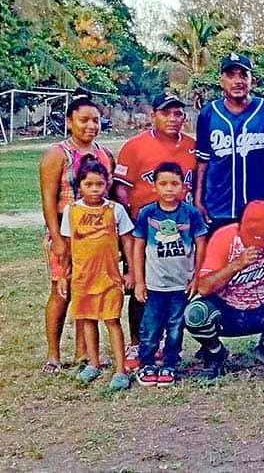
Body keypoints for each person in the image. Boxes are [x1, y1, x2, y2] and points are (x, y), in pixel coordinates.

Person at [113, 92, 197, 371]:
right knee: (142, 287)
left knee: (176, 288)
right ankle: (137, 343)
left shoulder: (191, 147)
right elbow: (121, 187)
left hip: (181, 231)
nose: (172, 118)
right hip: (146, 229)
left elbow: (196, 184)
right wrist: (133, 218)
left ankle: (169, 345)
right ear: (154, 116)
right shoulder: (135, 146)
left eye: (177, 113)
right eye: (166, 113)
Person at [184, 200, 264, 379]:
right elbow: (204, 288)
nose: (258, 237)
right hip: (228, 308)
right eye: (252, 231)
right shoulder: (224, 237)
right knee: (195, 314)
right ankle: (215, 352)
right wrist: (237, 264)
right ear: (239, 226)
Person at [38, 89, 115, 374]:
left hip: (96, 238)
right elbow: (48, 200)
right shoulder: (57, 155)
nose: (91, 126)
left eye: (95, 120)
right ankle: (53, 355)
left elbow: (112, 198)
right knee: (62, 290)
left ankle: (85, 352)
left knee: (89, 290)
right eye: (84, 120)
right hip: (67, 233)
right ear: (70, 121)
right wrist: (58, 239)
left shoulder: (105, 155)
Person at [194, 52, 264, 233]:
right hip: (217, 206)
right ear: (221, 80)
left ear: (252, 80)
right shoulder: (209, 113)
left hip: (258, 203)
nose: (237, 80)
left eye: (243, 75)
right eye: (231, 75)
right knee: (220, 257)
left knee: (258, 259)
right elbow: (202, 162)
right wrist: (198, 199)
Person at [57, 156, 134, 390]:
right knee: (87, 320)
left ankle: (121, 370)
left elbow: (128, 242)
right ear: (79, 185)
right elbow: (67, 248)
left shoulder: (115, 210)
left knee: (112, 321)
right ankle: (93, 363)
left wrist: (131, 272)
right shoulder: (71, 212)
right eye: (88, 184)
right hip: (82, 278)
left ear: (107, 184)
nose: (94, 189)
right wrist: (63, 274)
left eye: (99, 184)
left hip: (109, 277)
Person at [132, 162, 208, 387]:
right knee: (151, 326)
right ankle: (146, 363)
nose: (169, 189)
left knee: (176, 326)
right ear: (154, 186)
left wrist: (196, 277)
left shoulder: (191, 213)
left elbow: (201, 244)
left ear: (183, 187)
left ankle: (169, 364)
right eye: (163, 184)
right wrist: (139, 281)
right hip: (154, 285)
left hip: (180, 285)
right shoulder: (147, 213)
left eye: (174, 184)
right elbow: (138, 246)